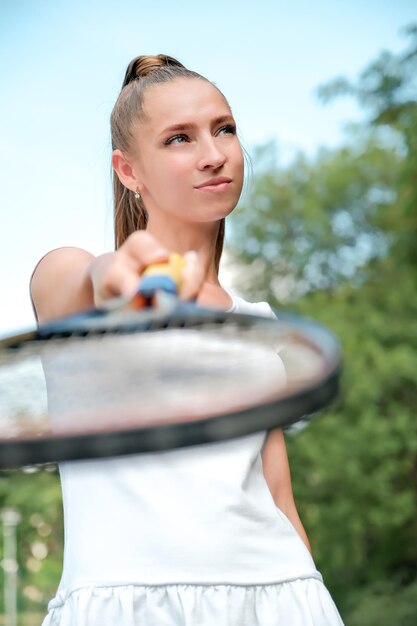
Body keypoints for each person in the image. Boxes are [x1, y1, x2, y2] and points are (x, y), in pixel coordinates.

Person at [31, 54, 344, 626]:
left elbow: (279, 499)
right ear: (129, 171)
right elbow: (87, 282)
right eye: (179, 138)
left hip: (282, 597)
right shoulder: (73, 275)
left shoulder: (257, 321)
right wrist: (122, 273)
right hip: (127, 603)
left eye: (224, 128)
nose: (214, 153)